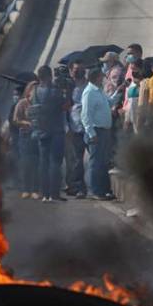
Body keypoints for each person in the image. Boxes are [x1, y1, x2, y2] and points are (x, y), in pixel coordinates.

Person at [31, 65, 68, 203]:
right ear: (49, 76)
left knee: (43, 162)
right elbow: (64, 106)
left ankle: (44, 193)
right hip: (56, 130)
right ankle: (54, 193)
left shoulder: (35, 91)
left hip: (41, 130)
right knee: (55, 163)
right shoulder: (55, 91)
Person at [81, 68, 113, 200]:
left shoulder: (99, 91)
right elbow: (85, 115)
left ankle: (104, 189)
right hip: (96, 131)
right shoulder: (89, 93)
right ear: (95, 78)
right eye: (101, 77)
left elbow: (109, 102)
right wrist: (91, 133)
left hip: (104, 131)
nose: (103, 79)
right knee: (95, 162)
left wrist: (118, 92)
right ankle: (95, 191)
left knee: (103, 162)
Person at [12, 82, 39, 199]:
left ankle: (35, 189)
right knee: (26, 163)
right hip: (25, 136)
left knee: (37, 164)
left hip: (38, 136)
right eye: (34, 90)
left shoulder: (40, 104)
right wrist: (26, 123)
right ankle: (26, 189)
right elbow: (15, 119)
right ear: (29, 91)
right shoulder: (22, 103)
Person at [65, 59, 87, 198]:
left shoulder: (88, 85)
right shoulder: (68, 87)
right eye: (75, 69)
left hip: (89, 126)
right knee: (76, 159)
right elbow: (65, 107)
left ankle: (83, 187)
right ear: (70, 71)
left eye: (81, 69)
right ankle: (77, 187)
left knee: (89, 160)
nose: (78, 72)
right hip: (74, 127)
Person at [122, 59, 144, 135]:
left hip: (141, 120)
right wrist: (126, 120)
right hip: (132, 120)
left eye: (135, 69)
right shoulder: (132, 85)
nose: (133, 72)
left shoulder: (145, 83)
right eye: (132, 70)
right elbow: (130, 103)